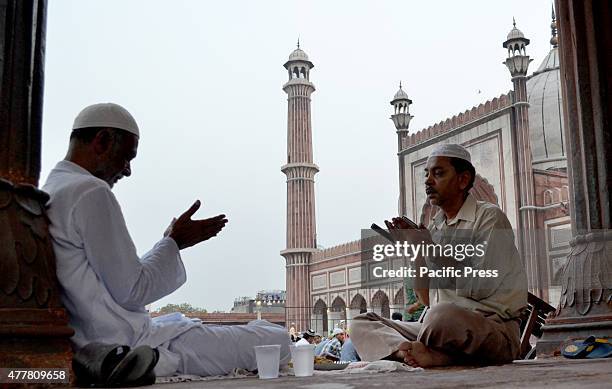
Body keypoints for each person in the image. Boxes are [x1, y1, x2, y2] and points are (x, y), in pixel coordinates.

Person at [43, 103, 291, 376]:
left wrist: (169, 242)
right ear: (102, 141)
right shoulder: (90, 191)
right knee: (276, 339)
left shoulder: (56, 188)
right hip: (131, 344)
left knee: (261, 331)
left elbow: (120, 279)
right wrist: (174, 242)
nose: (127, 171)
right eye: (127, 157)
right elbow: (133, 290)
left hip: (110, 337)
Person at [351, 143, 527, 368]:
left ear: (463, 180)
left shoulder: (490, 219)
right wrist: (415, 250)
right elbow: (425, 299)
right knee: (361, 323)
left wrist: (429, 247)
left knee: (441, 316)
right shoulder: (436, 229)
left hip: (488, 327)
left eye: (438, 173)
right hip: (435, 329)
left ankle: (428, 354)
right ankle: (406, 353)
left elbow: (481, 285)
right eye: (427, 174)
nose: (428, 181)